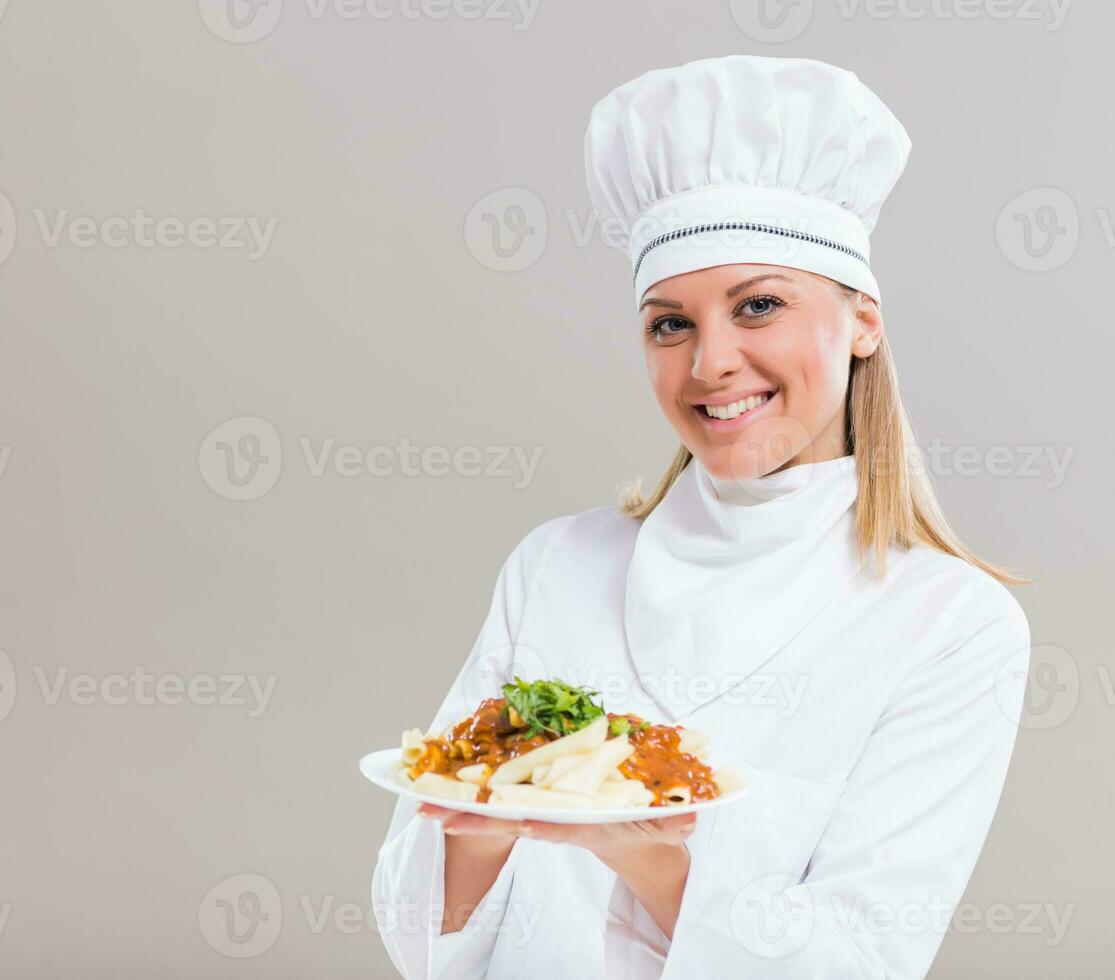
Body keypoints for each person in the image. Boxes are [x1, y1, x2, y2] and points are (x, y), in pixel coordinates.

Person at [371, 53, 1033, 979]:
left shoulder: (950, 625)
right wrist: (477, 830)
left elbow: (866, 956)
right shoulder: (557, 565)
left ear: (864, 321)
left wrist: (649, 852)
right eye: (669, 322)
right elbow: (417, 935)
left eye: (759, 305)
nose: (710, 362)